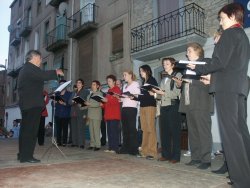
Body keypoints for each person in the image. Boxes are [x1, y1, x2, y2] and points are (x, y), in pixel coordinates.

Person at [188, 3, 250, 187]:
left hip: (227, 90)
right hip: (237, 88)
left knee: (231, 136)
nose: (220, 22)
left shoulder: (230, 34)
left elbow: (219, 61)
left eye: (222, 18)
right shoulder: (242, 36)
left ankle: (241, 181)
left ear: (232, 16)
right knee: (240, 133)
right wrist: (212, 78)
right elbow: (230, 66)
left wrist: (198, 68)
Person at [17, 50, 64, 163]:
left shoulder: (25, 69)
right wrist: (55, 72)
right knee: (31, 132)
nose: (41, 60)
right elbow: (42, 75)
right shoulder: (30, 68)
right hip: (32, 104)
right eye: (40, 58)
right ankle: (27, 156)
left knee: (25, 131)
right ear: (33, 58)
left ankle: (22, 154)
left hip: (27, 104)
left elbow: (38, 77)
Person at [179, 43, 213, 170]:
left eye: (189, 51)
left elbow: (209, 81)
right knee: (193, 132)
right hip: (188, 103)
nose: (187, 53)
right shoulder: (186, 67)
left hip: (201, 103)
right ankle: (196, 157)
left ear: (197, 51)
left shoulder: (205, 63)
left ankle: (206, 159)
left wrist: (192, 80)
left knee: (203, 132)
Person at [152, 57, 182, 163]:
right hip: (164, 107)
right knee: (164, 132)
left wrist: (162, 93)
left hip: (173, 106)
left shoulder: (177, 76)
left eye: (167, 64)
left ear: (173, 65)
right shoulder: (163, 78)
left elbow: (176, 94)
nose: (165, 65)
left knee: (175, 132)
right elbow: (161, 95)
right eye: (164, 64)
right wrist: (155, 94)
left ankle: (176, 156)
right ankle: (166, 154)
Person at [136, 65, 158, 160]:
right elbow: (143, 96)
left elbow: (154, 94)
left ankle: (152, 152)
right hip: (143, 107)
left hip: (150, 106)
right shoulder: (143, 82)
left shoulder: (152, 80)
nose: (140, 73)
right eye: (140, 71)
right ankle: (144, 151)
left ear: (147, 71)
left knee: (150, 129)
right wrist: (135, 97)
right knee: (144, 129)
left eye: (142, 71)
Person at [118, 70, 140, 155]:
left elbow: (138, 96)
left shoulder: (135, 84)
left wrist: (132, 96)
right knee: (125, 129)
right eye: (123, 75)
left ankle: (134, 150)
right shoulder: (125, 86)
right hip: (124, 108)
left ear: (130, 75)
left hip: (131, 108)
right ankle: (125, 148)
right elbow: (123, 98)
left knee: (132, 129)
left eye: (125, 75)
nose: (124, 77)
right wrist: (119, 98)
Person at [102, 74, 121, 153]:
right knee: (109, 132)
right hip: (108, 114)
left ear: (114, 81)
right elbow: (107, 102)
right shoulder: (109, 91)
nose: (108, 83)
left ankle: (115, 148)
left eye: (109, 81)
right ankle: (110, 147)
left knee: (114, 132)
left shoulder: (117, 89)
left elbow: (117, 101)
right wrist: (102, 104)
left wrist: (107, 100)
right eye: (107, 81)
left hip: (114, 114)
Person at [69, 79, 89, 149]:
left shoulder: (86, 91)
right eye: (77, 83)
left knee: (81, 128)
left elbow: (87, 102)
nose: (78, 84)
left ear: (82, 84)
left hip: (81, 112)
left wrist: (85, 113)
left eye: (80, 83)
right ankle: (75, 143)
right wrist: (72, 101)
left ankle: (81, 143)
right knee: (74, 128)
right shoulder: (74, 92)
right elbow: (69, 102)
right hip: (73, 112)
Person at [85, 80, 103, 151]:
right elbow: (87, 106)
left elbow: (98, 104)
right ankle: (92, 144)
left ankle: (98, 145)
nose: (92, 86)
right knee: (91, 131)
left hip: (96, 115)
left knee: (96, 131)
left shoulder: (100, 94)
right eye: (92, 84)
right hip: (90, 115)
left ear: (98, 86)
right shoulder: (89, 95)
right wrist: (81, 104)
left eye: (94, 84)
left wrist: (89, 104)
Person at [53, 79, 71, 147]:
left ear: (65, 85)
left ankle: (64, 142)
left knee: (65, 129)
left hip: (65, 114)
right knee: (58, 129)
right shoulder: (57, 94)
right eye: (60, 84)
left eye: (63, 84)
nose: (61, 85)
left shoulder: (69, 93)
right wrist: (54, 102)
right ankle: (58, 142)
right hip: (58, 114)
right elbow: (52, 104)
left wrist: (64, 103)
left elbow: (70, 104)